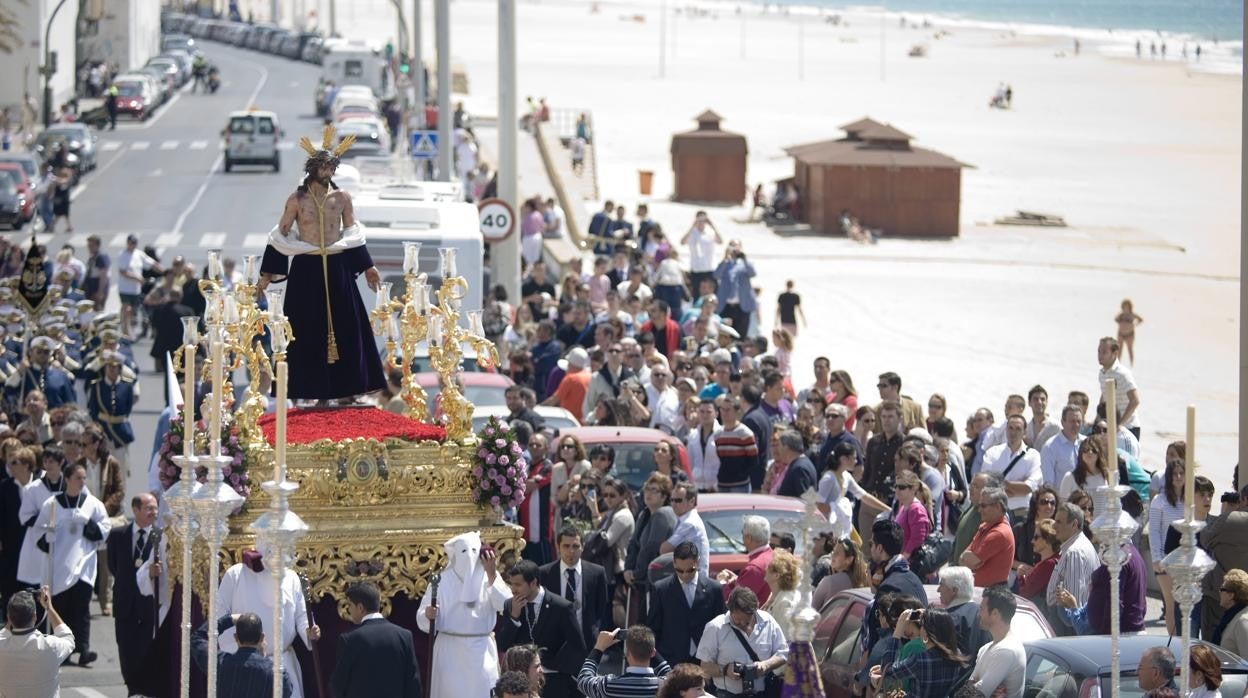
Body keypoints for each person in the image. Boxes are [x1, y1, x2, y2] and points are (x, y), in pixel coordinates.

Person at [257, 126, 386, 402]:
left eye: (332, 166)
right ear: (313, 168)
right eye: (324, 166)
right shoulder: (297, 200)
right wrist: (266, 276)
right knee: (304, 329)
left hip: (337, 266)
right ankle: (312, 392)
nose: (328, 171)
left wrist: (367, 267)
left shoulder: (342, 198)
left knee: (348, 327)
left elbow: (353, 234)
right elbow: (280, 235)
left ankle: (348, 391)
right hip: (307, 268)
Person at [29, 461, 109, 666]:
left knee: (82, 608)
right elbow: (37, 531)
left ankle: (84, 648)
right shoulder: (52, 504)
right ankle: (60, 649)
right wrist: (48, 537)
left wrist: (88, 523)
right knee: (61, 607)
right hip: (59, 565)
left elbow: (104, 529)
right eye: (78, 478)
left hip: (83, 564)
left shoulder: (92, 504)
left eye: (84, 478)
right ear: (68, 480)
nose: (83, 481)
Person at [216, 542, 321, 698]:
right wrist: (235, 654)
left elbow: (301, 615)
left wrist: (309, 631)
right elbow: (220, 615)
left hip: (283, 663)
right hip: (243, 664)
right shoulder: (235, 574)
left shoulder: (291, 576)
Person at [415, 532, 507, 698]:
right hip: (450, 652)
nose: (469, 557)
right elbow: (422, 616)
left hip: (481, 651)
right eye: (464, 552)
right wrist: (428, 614)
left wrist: (493, 575)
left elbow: (505, 605)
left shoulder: (489, 576)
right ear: (456, 555)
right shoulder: (441, 580)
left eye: (473, 551)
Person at [498, 559, 586, 698]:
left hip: (554, 681)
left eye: (518, 585)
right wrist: (514, 618)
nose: (513, 590)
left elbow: (577, 647)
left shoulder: (561, 607)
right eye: (511, 584)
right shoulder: (510, 605)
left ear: (533, 583)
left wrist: (552, 666)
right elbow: (503, 644)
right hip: (522, 685)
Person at [106, 493, 162, 697]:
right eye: (148, 508)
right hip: (124, 603)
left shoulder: (160, 535)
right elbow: (113, 566)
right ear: (135, 510)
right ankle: (132, 688)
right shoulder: (118, 534)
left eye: (155, 508)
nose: (153, 512)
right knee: (126, 650)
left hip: (148, 605)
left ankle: (144, 689)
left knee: (147, 649)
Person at [696, 586, 788, 698]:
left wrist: (765, 665)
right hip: (728, 695)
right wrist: (725, 670)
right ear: (730, 610)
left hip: (764, 693)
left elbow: (783, 653)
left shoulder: (768, 621)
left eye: (747, 620)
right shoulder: (715, 627)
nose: (743, 623)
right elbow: (704, 666)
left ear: (755, 609)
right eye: (737, 620)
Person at [336, 581, 421, 698]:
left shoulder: (349, 639)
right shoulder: (404, 636)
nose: (349, 610)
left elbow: (339, 685)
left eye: (350, 605)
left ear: (360, 607)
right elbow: (413, 684)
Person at [648, 542, 725, 666]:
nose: (685, 575)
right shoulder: (661, 589)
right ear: (673, 564)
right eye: (679, 570)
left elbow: (721, 628)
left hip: (705, 661)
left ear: (698, 562)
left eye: (690, 570)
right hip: (671, 660)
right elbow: (653, 628)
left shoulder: (714, 589)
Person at [540, 526, 610, 654]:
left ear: (583, 546)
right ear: (558, 547)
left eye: (576, 546)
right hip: (555, 645)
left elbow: (601, 606)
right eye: (566, 546)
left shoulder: (597, 573)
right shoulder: (545, 573)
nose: (571, 551)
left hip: (587, 642)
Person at [871, 607, 969, 698]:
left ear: (927, 632)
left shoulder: (919, 659)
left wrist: (898, 631)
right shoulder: (956, 654)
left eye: (922, 626)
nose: (920, 629)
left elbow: (888, 671)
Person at [192, 613, 294, 698]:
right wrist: (263, 659)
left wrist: (229, 619)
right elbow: (287, 691)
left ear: (236, 637)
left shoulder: (220, 663)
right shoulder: (276, 673)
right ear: (262, 637)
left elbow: (197, 639)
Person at [0, 587, 75, 697]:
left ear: (9, 618)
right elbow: (68, 637)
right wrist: (49, 608)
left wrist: (11, 618)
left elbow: (3, 635)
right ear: (35, 617)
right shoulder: (49, 645)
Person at [866, 519, 927, 648]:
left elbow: (881, 637)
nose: (870, 550)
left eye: (871, 544)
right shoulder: (914, 578)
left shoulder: (888, 587)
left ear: (880, 548)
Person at [624, 473, 677, 605]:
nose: (649, 493)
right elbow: (634, 544)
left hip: (656, 579)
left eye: (655, 490)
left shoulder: (663, 514)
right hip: (643, 579)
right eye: (647, 489)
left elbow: (651, 548)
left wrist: (636, 573)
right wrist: (628, 568)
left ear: (664, 496)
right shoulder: (644, 513)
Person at [576, 625, 673, 698]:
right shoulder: (666, 686)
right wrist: (647, 645)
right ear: (653, 653)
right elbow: (669, 673)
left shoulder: (609, 685)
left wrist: (599, 648)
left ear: (627, 654)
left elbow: (583, 680)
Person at [1150, 457, 1187, 636]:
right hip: (1166, 559)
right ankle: (1175, 640)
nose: (1178, 477)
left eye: (1182, 473)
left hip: (1186, 561)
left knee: (1187, 604)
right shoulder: (1160, 500)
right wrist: (1157, 558)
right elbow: (1154, 531)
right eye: (1175, 474)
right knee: (1171, 604)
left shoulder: (1190, 500)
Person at [969, 584, 1026, 698]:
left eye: (981, 609)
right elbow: (970, 686)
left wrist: (976, 688)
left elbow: (974, 694)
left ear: (995, 613)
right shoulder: (986, 648)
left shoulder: (1006, 650)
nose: (978, 614)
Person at [980, 414, 1042, 519]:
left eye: (1018, 429)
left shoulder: (1033, 455)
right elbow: (985, 484)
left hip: (1020, 514)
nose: (1013, 432)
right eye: (1010, 428)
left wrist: (1000, 484)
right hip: (995, 513)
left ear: (1025, 432)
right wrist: (1016, 488)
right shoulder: (992, 452)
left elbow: (1029, 487)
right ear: (1006, 430)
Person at [1202, 499, 1248, 640]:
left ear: (1245, 499)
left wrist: (1226, 513)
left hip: (1221, 595)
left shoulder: (1230, 519)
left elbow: (1205, 539)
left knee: (1213, 646)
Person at [959, 487, 1015, 587]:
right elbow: (962, 559)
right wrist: (967, 558)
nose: (979, 510)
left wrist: (969, 558)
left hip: (992, 595)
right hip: (981, 592)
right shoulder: (986, 526)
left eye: (983, 506)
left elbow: (971, 561)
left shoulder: (999, 533)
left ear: (998, 507)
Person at [716, 515, 774, 604]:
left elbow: (736, 603)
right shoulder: (771, 554)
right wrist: (737, 580)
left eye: (742, 533)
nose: (742, 537)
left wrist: (722, 583)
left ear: (749, 538)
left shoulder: (754, 568)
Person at [936, 566, 988, 657]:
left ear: (954, 590)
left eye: (941, 584)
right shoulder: (983, 613)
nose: (938, 589)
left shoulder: (949, 618)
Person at [659, 483, 710, 576]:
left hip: (693, 581)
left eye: (678, 500)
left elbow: (664, 549)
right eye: (672, 500)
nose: (674, 504)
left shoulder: (689, 523)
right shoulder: (685, 519)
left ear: (692, 501)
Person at [1097, 336, 1141, 441]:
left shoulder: (1122, 373)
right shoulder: (1102, 373)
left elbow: (1135, 400)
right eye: (1099, 351)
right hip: (1111, 427)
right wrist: (1097, 419)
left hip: (1129, 428)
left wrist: (1120, 424)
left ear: (1115, 353)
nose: (1100, 355)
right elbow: (1104, 396)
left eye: (1104, 352)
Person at [1016, 519, 1060, 614]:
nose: (1032, 541)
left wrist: (1020, 577)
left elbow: (1025, 594)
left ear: (1047, 539)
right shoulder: (1052, 561)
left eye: (1036, 537)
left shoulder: (1048, 565)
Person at [813, 537, 870, 609]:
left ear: (849, 559)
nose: (832, 556)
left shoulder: (828, 582)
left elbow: (813, 610)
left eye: (837, 553)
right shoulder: (864, 581)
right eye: (833, 552)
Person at [1012, 484, 1058, 570]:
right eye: (1044, 502)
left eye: (1052, 503)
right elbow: (1007, 558)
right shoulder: (1021, 529)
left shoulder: (1059, 530)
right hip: (1023, 577)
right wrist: (1021, 566)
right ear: (1035, 505)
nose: (1049, 506)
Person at [1040, 405, 1084, 488]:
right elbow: (1048, 483)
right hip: (1063, 500)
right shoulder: (1050, 447)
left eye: (1079, 421)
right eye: (1072, 421)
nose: (1076, 424)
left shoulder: (1086, 443)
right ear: (1062, 422)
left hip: (1085, 499)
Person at [759, 550, 800, 639]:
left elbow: (784, 640)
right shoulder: (775, 594)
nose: (765, 568)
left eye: (768, 567)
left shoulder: (785, 603)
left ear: (776, 575)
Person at [680, 211, 722, 294]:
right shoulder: (692, 233)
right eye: (700, 219)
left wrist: (712, 225)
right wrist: (692, 226)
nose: (702, 222)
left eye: (704, 220)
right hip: (696, 269)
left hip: (709, 268)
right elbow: (682, 242)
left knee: (713, 294)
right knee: (696, 294)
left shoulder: (710, 232)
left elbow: (720, 241)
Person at [892, 469, 932, 557]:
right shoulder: (904, 507)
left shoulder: (916, 509)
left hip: (911, 565)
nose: (897, 490)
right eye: (896, 486)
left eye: (902, 487)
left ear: (913, 488)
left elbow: (917, 538)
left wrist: (903, 558)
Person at [1213, 568, 1248, 655]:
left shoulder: (1243, 620)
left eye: (1222, 589)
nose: (1219, 592)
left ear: (1231, 595)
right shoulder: (1231, 617)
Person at [1115, 299, 1143, 365]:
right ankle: (1117, 364)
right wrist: (1121, 323)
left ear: (1130, 307)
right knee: (1119, 350)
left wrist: (1135, 324)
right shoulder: (1121, 315)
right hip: (1121, 334)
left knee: (1129, 349)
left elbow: (1140, 319)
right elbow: (1116, 319)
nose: (1126, 309)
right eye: (1124, 307)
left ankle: (1131, 364)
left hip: (1130, 335)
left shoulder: (1132, 315)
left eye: (1127, 307)